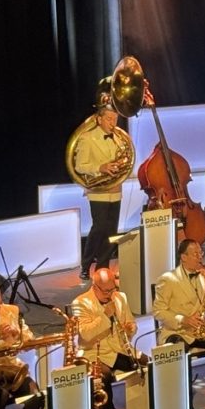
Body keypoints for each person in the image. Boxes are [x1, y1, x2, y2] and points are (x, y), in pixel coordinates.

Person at [71, 267, 142, 409]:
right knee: (103, 375)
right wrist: (104, 315)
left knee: (148, 366)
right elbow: (86, 335)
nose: (111, 294)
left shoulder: (120, 297)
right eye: (107, 290)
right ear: (95, 287)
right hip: (95, 353)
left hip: (119, 350)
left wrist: (130, 328)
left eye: (113, 289)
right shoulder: (80, 303)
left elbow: (131, 323)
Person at [73, 100, 129, 281]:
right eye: (109, 119)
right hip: (98, 191)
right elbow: (80, 166)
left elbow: (125, 161)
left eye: (116, 119)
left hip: (116, 189)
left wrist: (121, 165)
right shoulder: (87, 138)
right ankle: (86, 264)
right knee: (99, 228)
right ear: (99, 119)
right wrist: (101, 167)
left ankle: (103, 267)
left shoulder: (120, 139)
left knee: (111, 230)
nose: (113, 123)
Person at [153, 239, 205, 352]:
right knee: (180, 347)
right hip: (177, 333)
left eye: (200, 253)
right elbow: (158, 311)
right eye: (195, 254)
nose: (200, 257)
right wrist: (184, 319)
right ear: (184, 257)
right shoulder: (168, 279)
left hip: (199, 333)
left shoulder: (203, 276)